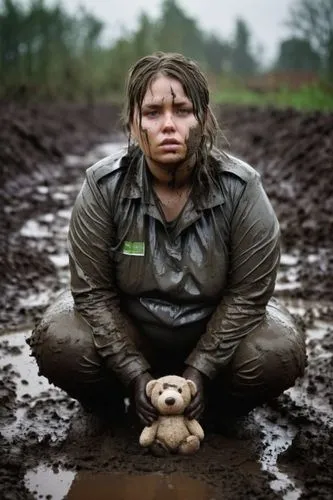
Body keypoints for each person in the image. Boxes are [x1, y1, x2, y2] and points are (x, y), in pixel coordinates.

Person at [28, 52, 306, 432]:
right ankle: (111, 404)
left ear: (204, 119)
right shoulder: (103, 186)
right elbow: (92, 293)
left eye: (183, 110)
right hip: (132, 333)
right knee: (60, 340)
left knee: (279, 352)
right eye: (153, 112)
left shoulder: (242, 188)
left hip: (215, 338)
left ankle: (219, 407)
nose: (169, 125)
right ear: (133, 123)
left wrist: (200, 371)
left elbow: (249, 294)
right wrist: (133, 373)